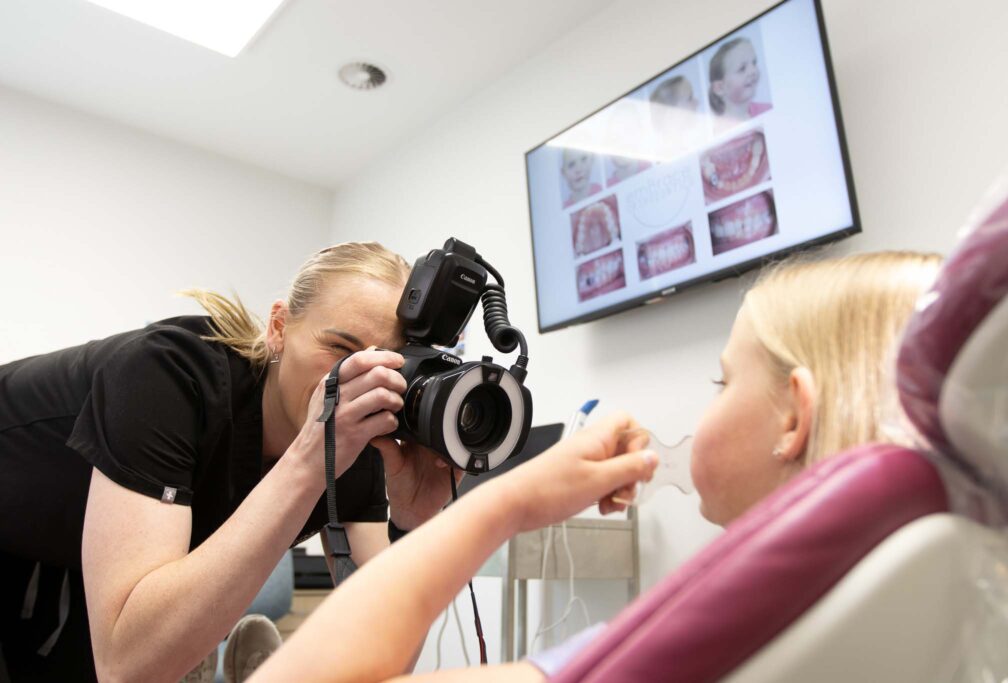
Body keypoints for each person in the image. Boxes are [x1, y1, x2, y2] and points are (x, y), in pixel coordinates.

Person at [245, 250, 943, 683]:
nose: (711, 402)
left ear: (793, 416)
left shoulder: (664, 648)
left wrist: (505, 501)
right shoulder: (921, 621)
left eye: (721, 382)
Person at [0, 242, 460, 681]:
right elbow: (126, 666)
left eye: (387, 365)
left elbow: (384, 659)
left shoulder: (358, 440)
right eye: (341, 350)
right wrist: (308, 461)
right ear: (278, 327)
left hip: (84, 562)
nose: (358, 379)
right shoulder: (167, 375)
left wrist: (412, 526)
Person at [707, 37, 772, 134]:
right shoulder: (717, 133)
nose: (753, 71)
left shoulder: (767, 110)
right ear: (719, 88)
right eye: (742, 68)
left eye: (754, 63)